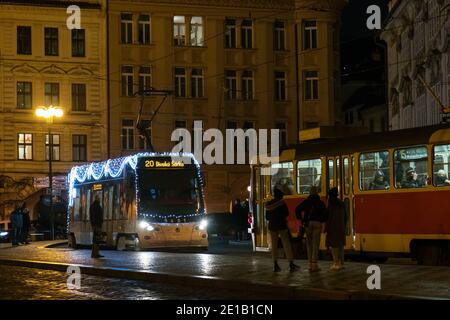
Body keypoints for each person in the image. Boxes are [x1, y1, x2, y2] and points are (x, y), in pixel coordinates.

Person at [265, 188, 299, 272]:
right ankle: (291, 264)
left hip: (272, 226)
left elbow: (267, 217)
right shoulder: (282, 203)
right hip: (282, 226)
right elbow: (286, 214)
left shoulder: (269, 204)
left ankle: (275, 264)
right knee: (286, 244)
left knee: (274, 246)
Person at [295, 186, 327, 272]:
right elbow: (324, 215)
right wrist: (323, 224)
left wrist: (301, 220)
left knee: (309, 244)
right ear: (317, 192)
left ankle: (309, 264)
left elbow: (297, 209)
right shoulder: (321, 203)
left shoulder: (306, 202)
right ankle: (314, 264)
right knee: (315, 244)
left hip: (308, 224)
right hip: (317, 224)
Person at [325, 188, 346, 271]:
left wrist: (326, 227)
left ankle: (336, 263)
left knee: (334, 246)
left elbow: (328, 217)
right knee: (340, 246)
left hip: (333, 227)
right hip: (341, 227)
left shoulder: (331, 204)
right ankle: (342, 263)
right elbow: (346, 216)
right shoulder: (341, 203)